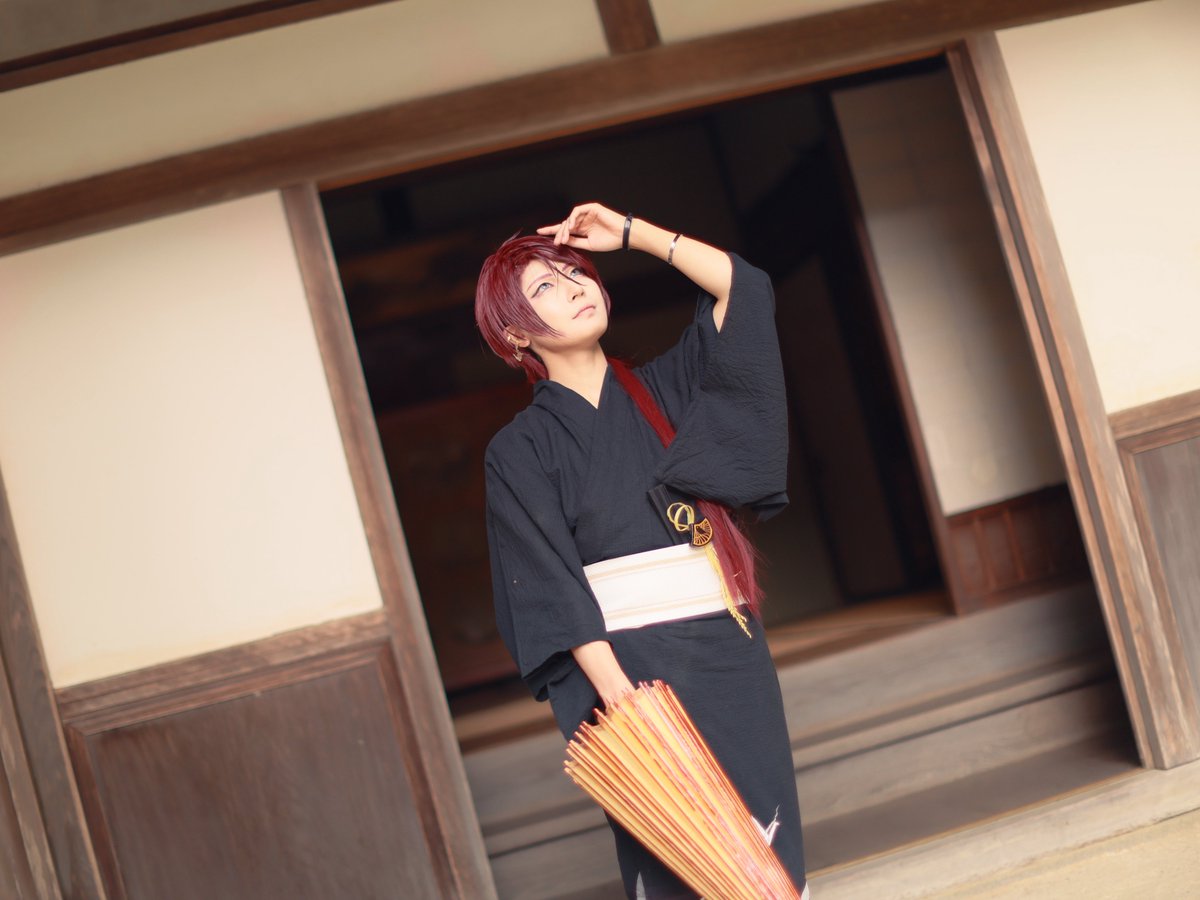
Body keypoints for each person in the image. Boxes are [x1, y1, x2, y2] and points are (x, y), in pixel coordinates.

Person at [476, 202, 807, 899]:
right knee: (680, 862)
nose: (574, 287)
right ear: (514, 334)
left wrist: (633, 234)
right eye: (545, 287)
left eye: (575, 273)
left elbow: (742, 289)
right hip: (631, 674)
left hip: (727, 652)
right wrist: (621, 700)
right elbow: (549, 586)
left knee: (769, 859)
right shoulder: (519, 450)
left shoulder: (667, 387)